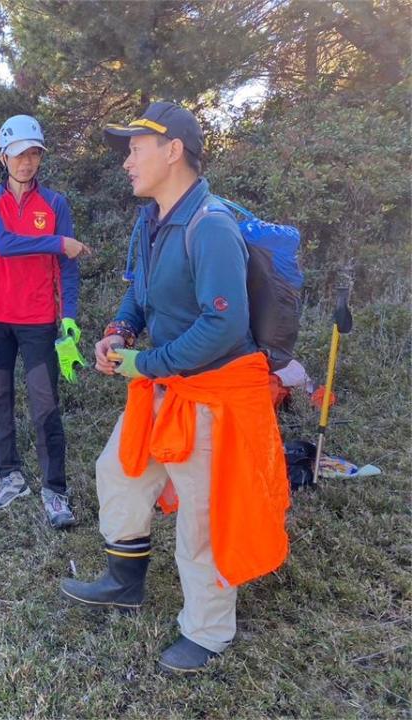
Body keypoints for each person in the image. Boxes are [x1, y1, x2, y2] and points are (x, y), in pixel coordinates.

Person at [59, 102, 289, 672]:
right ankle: (125, 581)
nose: (127, 161)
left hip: (212, 397)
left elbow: (225, 324)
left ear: (173, 150)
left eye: (136, 148)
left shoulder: (210, 226)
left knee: (203, 516)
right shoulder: (154, 219)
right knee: (121, 471)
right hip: (163, 385)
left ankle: (208, 632)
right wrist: (119, 333)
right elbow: (139, 291)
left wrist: (147, 363)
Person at [0, 114, 91, 528]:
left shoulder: (55, 204)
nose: (27, 162)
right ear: (3, 156)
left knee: (45, 403)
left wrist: (70, 318)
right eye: (20, 154)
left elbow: (69, 268)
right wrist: (59, 241)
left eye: (34, 154)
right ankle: (9, 476)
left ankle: (54, 490)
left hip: (38, 319)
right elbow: (3, 245)